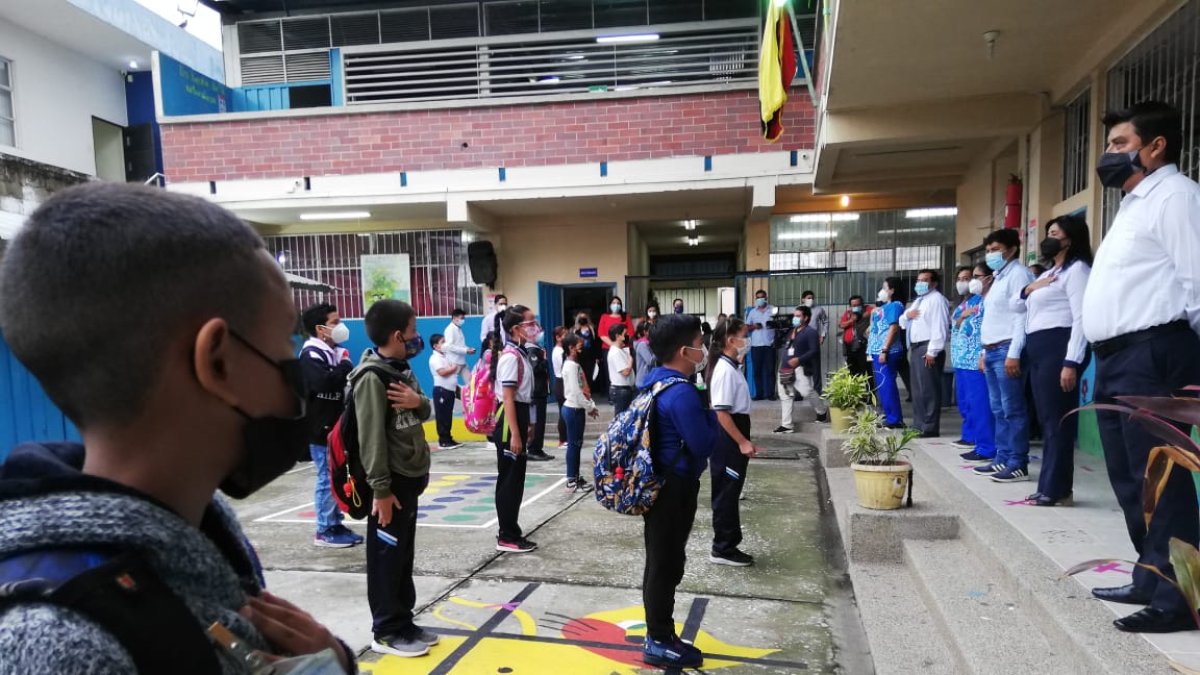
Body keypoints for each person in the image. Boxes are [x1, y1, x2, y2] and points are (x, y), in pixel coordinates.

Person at [0, 183, 357, 673]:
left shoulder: (201, 524)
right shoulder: (60, 646)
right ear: (219, 362)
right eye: (283, 346)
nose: (293, 371)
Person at [1081, 101, 1200, 633]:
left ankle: (1179, 600)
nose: (1110, 155)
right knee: (1133, 478)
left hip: (1154, 354)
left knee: (1163, 477)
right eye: (1110, 146)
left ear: (1156, 147)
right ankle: (1150, 576)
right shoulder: (1134, 205)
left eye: (1121, 144)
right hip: (1118, 358)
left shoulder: (1176, 197)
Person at [352, 300, 438, 658]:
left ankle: (403, 620)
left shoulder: (400, 369)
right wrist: (381, 490)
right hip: (390, 486)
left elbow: (426, 409)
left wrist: (417, 400)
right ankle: (386, 629)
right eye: (414, 333)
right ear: (398, 335)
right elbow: (370, 439)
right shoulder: (372, 378)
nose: (417, 339)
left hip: (410, 479)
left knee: (403, 555)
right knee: (386, 556)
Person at [640, 314, 720, 669]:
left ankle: (661, 633)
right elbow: (704, 443)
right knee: (664, 564)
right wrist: (713, 411)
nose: (703, 350)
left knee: (663, 561)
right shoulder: (681, 393)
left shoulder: (655, 382)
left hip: (661, 484)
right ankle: (658, 639)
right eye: (700, 345)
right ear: (683, 351)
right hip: (673, 489)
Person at [1016, 215, 1092, 507]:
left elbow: (1081, 317)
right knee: (1048, 420)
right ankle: (1049, 485)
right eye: (1047, 232)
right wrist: (1030, 289)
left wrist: (1071, 361)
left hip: (1059, 347)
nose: (1049, 237)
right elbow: (1017, 303)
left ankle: (1058, 488)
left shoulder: (1077, 271)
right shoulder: (1048, 273)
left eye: (1055, 233)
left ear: (1070, 238)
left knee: (1058, 421)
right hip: (1038, 347)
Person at [298, 303, 363, 549]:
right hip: (320, 430)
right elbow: (325, 383)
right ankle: (324, 529)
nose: (341, 326)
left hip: (335, 427)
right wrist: (345, 366)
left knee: (336, 475)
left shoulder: (334, 353)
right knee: (326, 478)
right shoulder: (311, 355)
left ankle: (335, 522)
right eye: (335, 322)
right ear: (320, 329)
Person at [973, 228, 1035, 483]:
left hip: (1007, 349)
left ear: (1010, 249)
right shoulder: (999, 277)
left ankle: (1017, 461)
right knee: (998, 408)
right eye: (988, 251)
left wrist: (1014, 353)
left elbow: (1021, 316)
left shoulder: (1019, 275)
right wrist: (983, 351)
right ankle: (1002, 457)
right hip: (992, 349)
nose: (991, 255)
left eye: (995, 250)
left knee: (1013, 409)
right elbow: (992, 317)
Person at [704, 318, 762, 567]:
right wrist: (741, 442)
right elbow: (721, 412)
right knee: (727, 492)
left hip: (735, 428)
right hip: (729, 434)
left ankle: (728, 543)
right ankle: (723, 548)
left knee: (731, 489)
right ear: (731, 341)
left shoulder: (730, 366)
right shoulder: (725, 371)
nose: (747, 341)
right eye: (744, 335)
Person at [490, 305, 541, 553]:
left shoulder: (520, 354)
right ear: (516, 329)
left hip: (518, 417)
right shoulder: (510, 357)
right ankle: (506, 535)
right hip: (510, 420)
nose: (535, 327)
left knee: (516, 479)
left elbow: (522, 396)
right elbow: (508, 398)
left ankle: (511, 530)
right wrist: (516, 433)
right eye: (530, 323)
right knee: (509, 480)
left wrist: (528, 423)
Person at [950, 266, 996, 465]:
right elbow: (957, 324)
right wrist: (961, 317)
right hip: (961, 359)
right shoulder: (966, 302)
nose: (965, 282)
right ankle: (972, 438)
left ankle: (986, 447)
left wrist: (983, 354)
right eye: (960, 278)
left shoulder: (986, 300)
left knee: (980, 405)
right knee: (967, 403)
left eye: (970, 278)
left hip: (976, 360)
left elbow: (987, 329)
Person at [899, 270, 950, 438]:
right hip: (915, 347)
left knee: (928, 390)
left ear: (934, 283)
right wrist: (908, 314)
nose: (920, 283)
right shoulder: (919, 301)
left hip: (927, 348)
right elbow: (903, 321)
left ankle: (929, 427)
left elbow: (940, 327)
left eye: (925, 280)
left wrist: (932, 351)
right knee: (918, 390)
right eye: (919, 280)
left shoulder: (937, 300)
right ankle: (918, 423)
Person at [776, 305, 830, 434]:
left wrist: (799, 360)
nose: (795, 318)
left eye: (798, 316)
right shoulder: (791, 331)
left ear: (806, 318)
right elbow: (784, 346)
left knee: (807, 392)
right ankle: (786, 425)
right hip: (784, 367)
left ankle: (821, 412)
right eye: (794, 315)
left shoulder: (810, 332)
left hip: (799, 367)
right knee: (785, 396)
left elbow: (814, 350)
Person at [560, 334, 599, 492]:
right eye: (579, 345)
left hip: (575, 408)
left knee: (576, 444)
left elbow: (581, 389)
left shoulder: (573, 364)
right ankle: (572, 479)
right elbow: (576, 392)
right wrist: (590, 407)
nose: (581, 348)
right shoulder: (571, 366)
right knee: (574, 445)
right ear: (570, 348)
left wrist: (588, 406)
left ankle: (575, 476)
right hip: (573, 409)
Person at [868, 278, 907, 428]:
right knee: (883, 385)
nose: (882, 291)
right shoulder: (885, 307)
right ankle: (889, 416)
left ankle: (894, 419)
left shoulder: (896, 305)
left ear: (892, 290)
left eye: (884, 287)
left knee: (888, 385)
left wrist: (885, 349)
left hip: (887, 351)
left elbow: (893, 328)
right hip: (878, 350)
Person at [524, 334, 555, 462]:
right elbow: (534, 368)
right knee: (536, 423)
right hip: (536, 392)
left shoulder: (537, 349)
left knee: (540, 423)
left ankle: (538, 448)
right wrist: (544, 360)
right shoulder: (532, 350)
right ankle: (533, 449)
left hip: (540, 392)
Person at [428, 334, 463, 451]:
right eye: (442, 342)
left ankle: (448, 438)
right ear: (435, 346)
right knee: (442, 416)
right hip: (441, 390)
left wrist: (453, 369)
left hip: (450, 390)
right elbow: (443, 372)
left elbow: (454, 367)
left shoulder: (445, 356)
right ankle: (443, 441)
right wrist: (452, 369)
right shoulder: (434, 359)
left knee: (447, 416)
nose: (445, 344)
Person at [745, 289, 777, 401]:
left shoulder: (773, 310)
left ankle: (771, 394)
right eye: (758, 297)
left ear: (766, 298)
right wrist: (754, 326)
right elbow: (746, 327)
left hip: (769, 344)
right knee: (757, 371)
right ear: (756, 299)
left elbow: (779, 324)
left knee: (770, 371)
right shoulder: (752, 312)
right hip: (756, 345)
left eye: (762, 297)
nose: (760, 299)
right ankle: (759, 393)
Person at [800, 291, 829, 392]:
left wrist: (823, 335)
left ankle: (817, 390)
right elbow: (794, 324)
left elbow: (825, 321)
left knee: (815, 366)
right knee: (801, 367)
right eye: (808, 298)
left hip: (813, 341)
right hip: (801, 340)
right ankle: (802, 391)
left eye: (812, 298)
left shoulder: (819, 309)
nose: (810, 300)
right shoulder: (799, 310)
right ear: (803, 299)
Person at [839, 295, 871, 378]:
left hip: (863, 346)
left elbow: (872, 312)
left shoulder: (867, 309)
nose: (856, 307)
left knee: (866, 371)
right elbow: (841, 325)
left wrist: (859, 316)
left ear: (862, 304)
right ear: (850, 306)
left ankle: (869, 390)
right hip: (849, 346)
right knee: (852, 371)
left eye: (858, 305)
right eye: (854, 306)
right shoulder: (848, 313)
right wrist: (852, 320)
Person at [607, 323, 635, 415]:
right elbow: (625, 372)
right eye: (625, 334)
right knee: (621, 419)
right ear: (617, 336)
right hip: (620, 390)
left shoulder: (620, 350)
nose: (627, 336)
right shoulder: (615, 352)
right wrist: (631, 361)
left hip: (624, 389)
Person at [443, 307, 476, 384]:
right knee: (451, 384)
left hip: (462, 362)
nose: (463, 320)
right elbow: (449, 346)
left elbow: (460, 345)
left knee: (470, 383)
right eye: (461, 318)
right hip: (453, 362)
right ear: (454, 318)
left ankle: (470, 395)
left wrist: (468, 349)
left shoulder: (458, 329)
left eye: (463, 318)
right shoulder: (450, 329)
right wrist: (465, 350)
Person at [551, 326, 568, 449]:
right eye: (564, 335)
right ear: (558, 338)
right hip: (561, 381)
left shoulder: (560, 350)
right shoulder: (559, 352)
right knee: (563, 412)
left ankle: (565, 438)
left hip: (561, 381)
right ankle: (563, 439)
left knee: (565, 412)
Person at [573, 312, 599, 392]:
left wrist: (597, 357)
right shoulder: (575, 331)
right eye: (580, 318)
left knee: (589, 374)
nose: (582, 320)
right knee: (581, 375)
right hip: (580, 357)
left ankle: (589, 391)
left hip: (590, 356)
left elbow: (596, 343)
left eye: (584, 318)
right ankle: (582, 391)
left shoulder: (592, 329)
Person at [633, 320, 656, 388]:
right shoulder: (643, 345)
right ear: (645, 332)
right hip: (643, 381)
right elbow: (650, 361)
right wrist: (658, 350)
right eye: (650, 330)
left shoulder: (648, 343)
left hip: (649, 378)